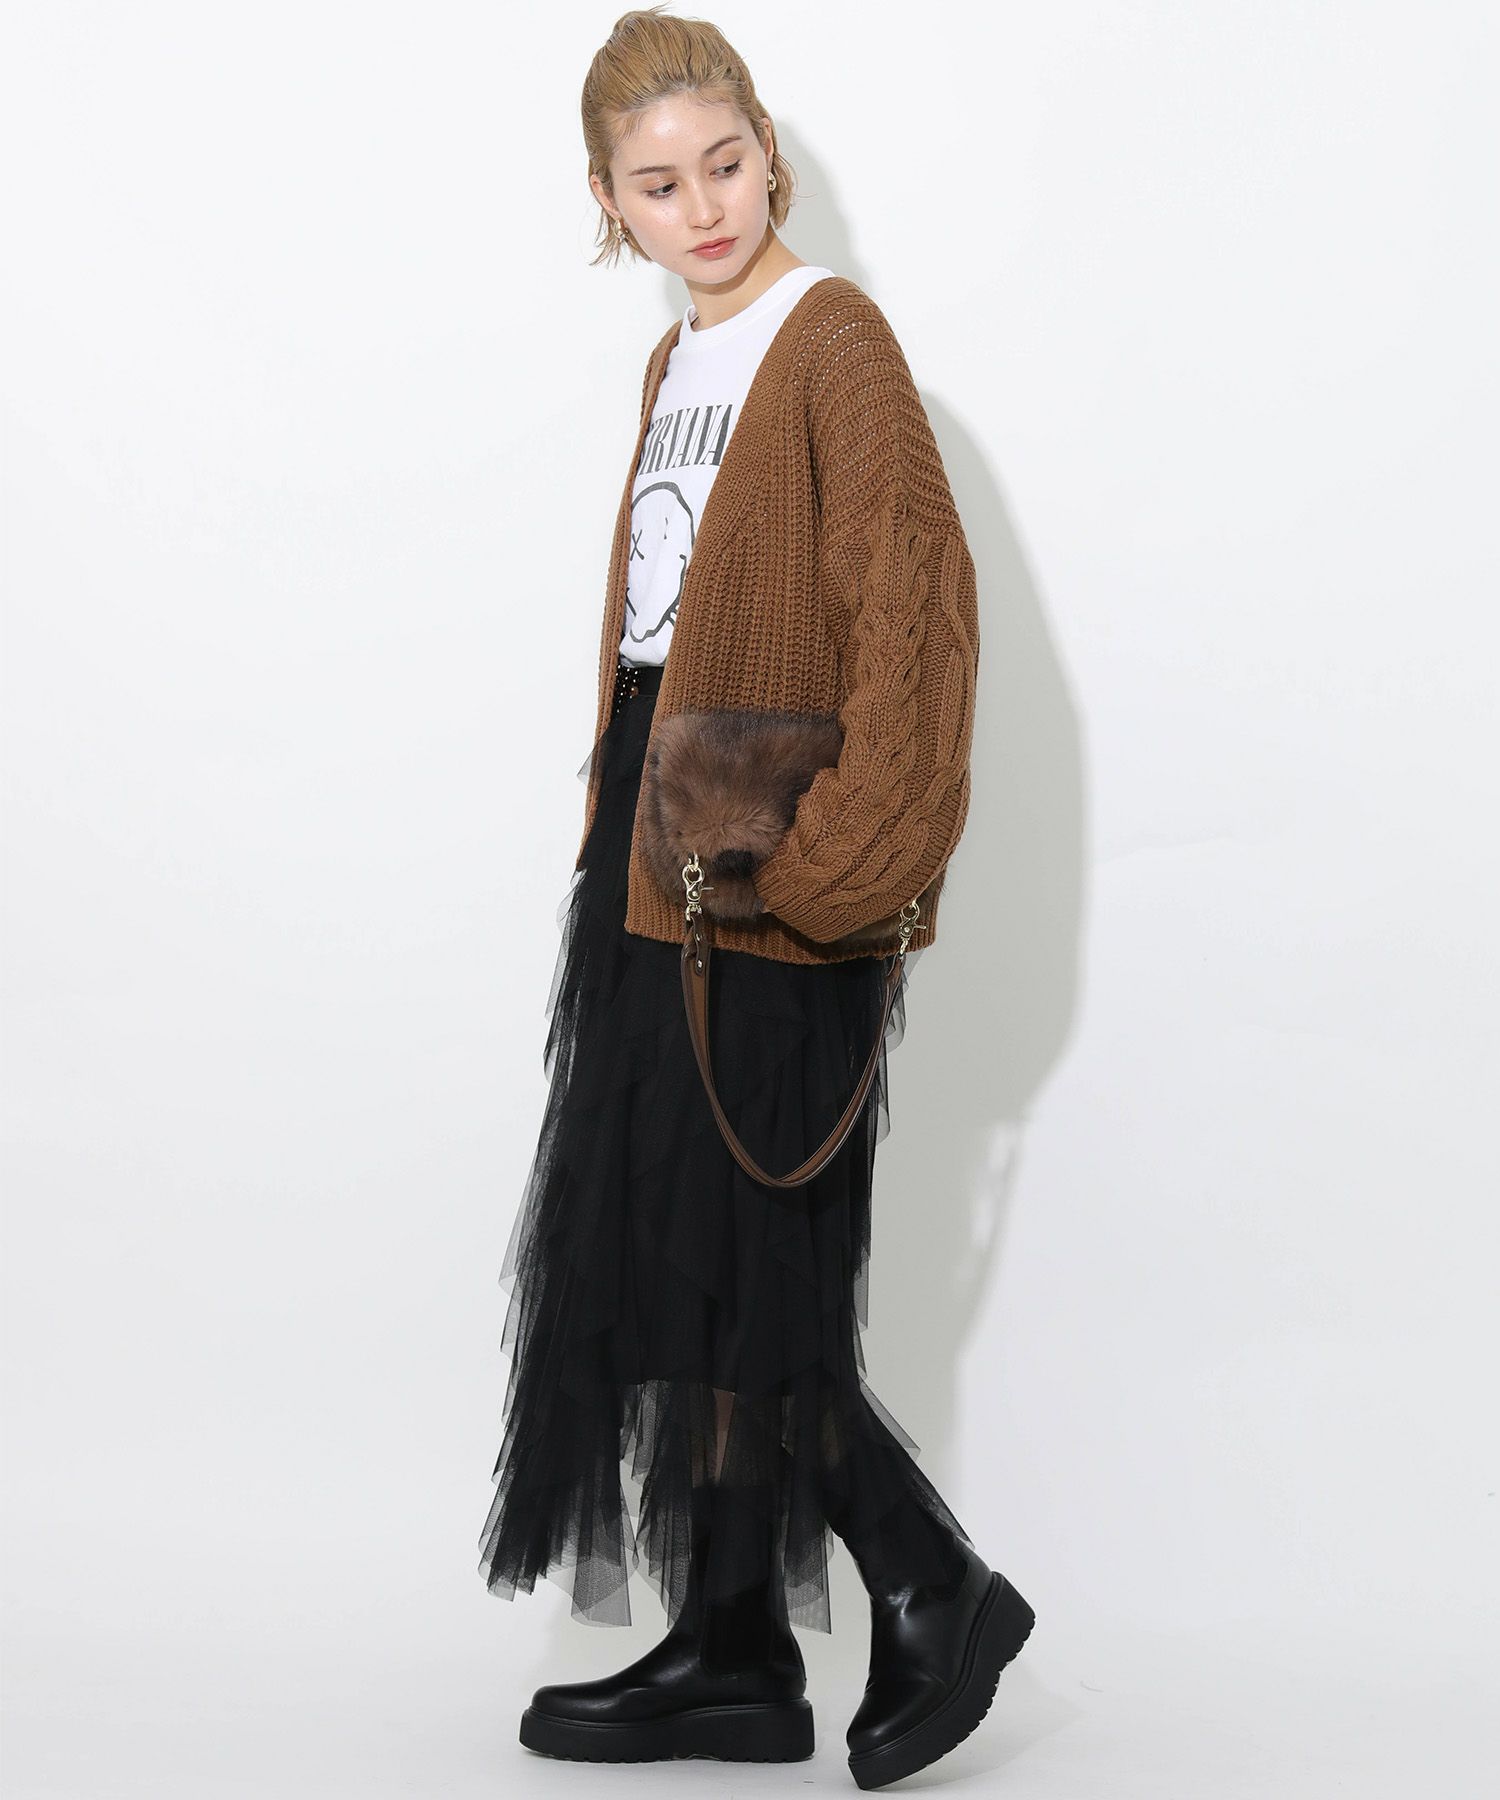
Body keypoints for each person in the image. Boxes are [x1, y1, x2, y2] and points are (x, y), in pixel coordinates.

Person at [477, 7, 1034, 1787]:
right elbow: (666, 625)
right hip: (654, 863)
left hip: (768, 873)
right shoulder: (680, 361)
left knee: (745, 1266)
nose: (703, 207)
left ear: (770, 152)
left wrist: (831, 872)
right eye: (660, 185)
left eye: (725, 164)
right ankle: (732, 1646)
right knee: (665, 1252)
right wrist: (611, 811)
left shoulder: (830, 340)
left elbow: (918, 624)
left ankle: (934, 1580)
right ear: (608, 203)